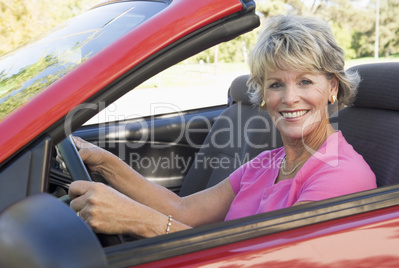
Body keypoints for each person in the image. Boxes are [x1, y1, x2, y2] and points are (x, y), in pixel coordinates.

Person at [65, 15, 376, 238]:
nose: (289, 98)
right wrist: (104, 162)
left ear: (333, 87)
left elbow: (267, 262)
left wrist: (140, 222)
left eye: (306, 81)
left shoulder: (341, 175)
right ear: (264, 94)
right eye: (276, 84)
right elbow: (181, 209)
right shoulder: (267, 163)